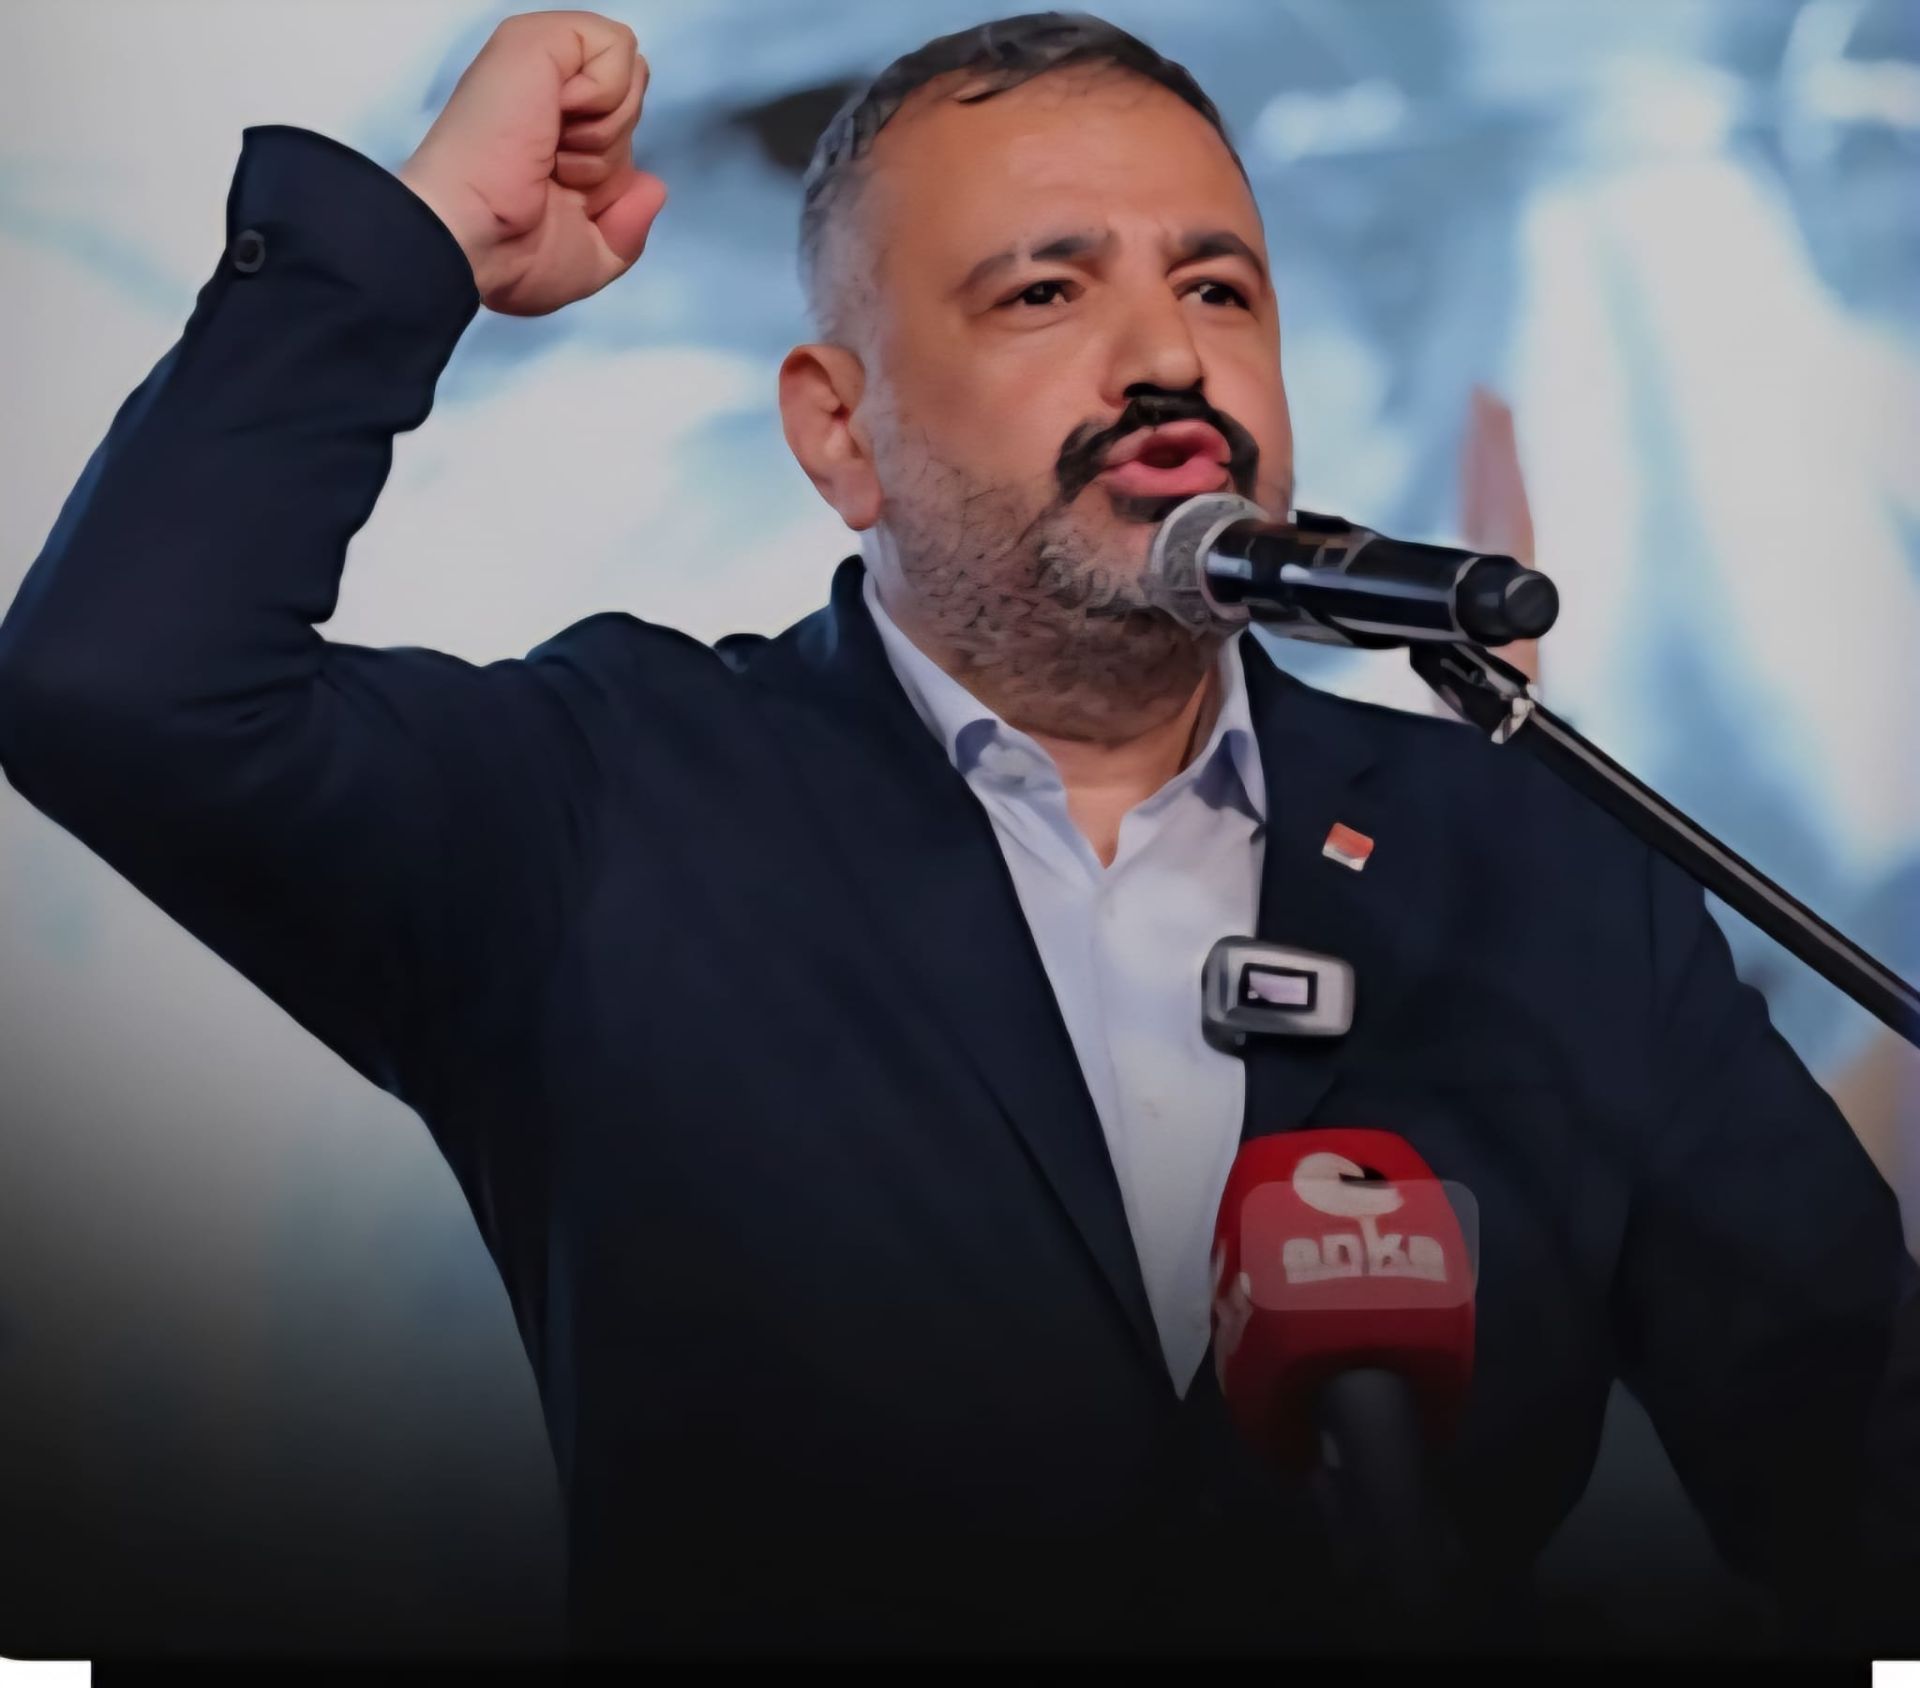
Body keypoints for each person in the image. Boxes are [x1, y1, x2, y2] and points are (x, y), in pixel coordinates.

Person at [0, 6, 1910, 1658]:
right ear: (839, 433)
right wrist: (410, 246)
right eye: (1045, 292)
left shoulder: (1541, 868)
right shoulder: (604, 806)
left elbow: (1862, 1474)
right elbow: (123, 686)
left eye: (1219, 288)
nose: (1169, 360)